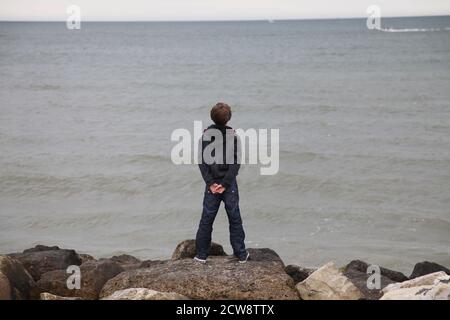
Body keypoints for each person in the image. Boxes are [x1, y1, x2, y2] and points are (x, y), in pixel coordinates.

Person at [194, 102, 249, 264]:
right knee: (235, 218)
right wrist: (225, 183)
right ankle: (240, 254)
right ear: (228, 119)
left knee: (207, 218)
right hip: (229, 184)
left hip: (212, 184)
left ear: (212, 117)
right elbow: (235, 164)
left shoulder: (205, 136)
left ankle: (201, 255)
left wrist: (211, 183)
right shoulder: (233, 136)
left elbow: (202, 162)